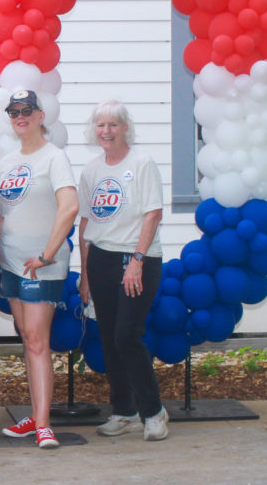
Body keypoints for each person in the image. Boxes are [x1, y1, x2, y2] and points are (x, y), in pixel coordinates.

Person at [0, 89, 77, 450]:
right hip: (11, 265)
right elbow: (2, 217)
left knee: (39, 341)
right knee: (28, 338)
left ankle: (43, 425)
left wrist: (47, 254)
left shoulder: (54, 157)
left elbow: (69, 207)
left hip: (39, 267)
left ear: (41, 115)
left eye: (27, 110)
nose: (20, 116)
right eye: (14, 111)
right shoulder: (6, 162)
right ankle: (35, 414)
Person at [77, 100, 169, 441]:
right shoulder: (91, 170)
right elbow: (85, 223)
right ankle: (124, 411)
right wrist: (85, 275)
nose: (106, 131)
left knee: (127, 335)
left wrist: (137, 260)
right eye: (101, 125)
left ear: (125, 127)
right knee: (108, 337)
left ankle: (154, 412)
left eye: (113, 124)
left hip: (136, 259)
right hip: (100, 259)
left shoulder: (141, 163)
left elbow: (153, 214)